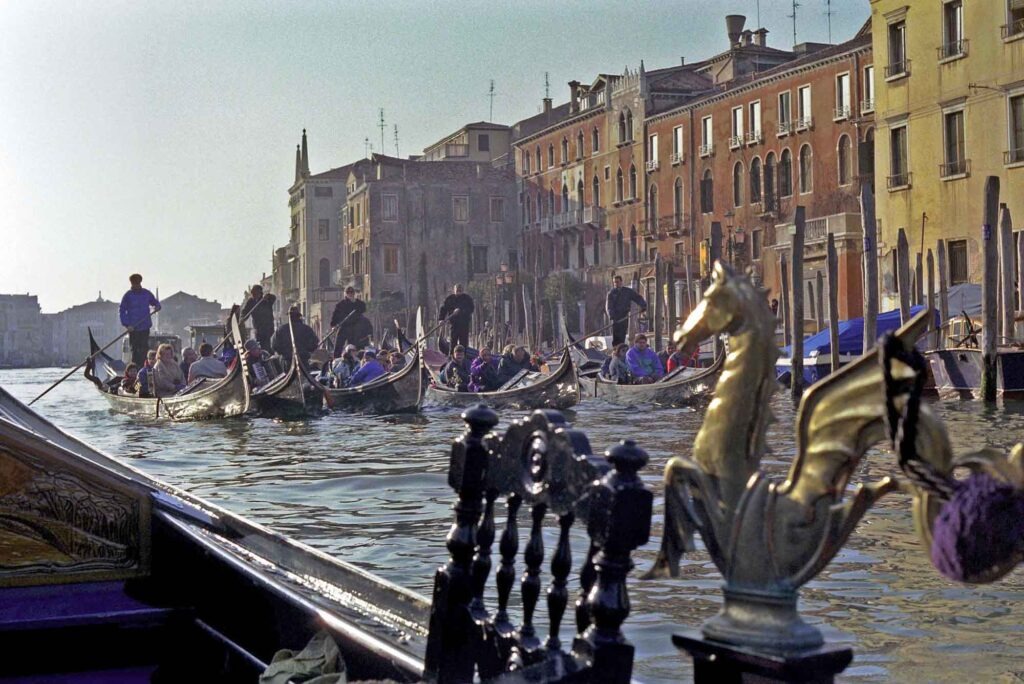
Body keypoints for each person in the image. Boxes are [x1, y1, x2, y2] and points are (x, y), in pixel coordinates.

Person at [119, 273, 162, 367]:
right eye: (134, 283)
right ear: (131, 283)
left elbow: (155, 302)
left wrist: (157, 306)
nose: (136, 285)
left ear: (140, 282)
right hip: (133, 328)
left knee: (144, 349)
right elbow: (122, 311)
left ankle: (144, 368)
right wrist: (127, 325)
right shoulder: (128, 295)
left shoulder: (146, 293)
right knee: (135, 350)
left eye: (137, 283)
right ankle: (136, 369)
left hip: (145, 326)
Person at [605, 274, 647, 347]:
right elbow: (609, 307)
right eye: (614, 282)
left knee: (622, 335)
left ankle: (621, 348)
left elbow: (637, 297)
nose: (616, 284)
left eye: (617, 282)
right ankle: (616, 349)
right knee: (616, 337)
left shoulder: (627, 292)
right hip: (615, 318)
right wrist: (612, 316)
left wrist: (643, 305)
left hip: (624, 316)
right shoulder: (611, 293)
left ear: (621, 282)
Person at [330, 287, 368, 357]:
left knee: (353, 345)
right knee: (338, 344)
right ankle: (336, 358)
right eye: (348, 292)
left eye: (352, 292)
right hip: (344, 327)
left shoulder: (359, 303)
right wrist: (333, 325)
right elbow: (335, 315)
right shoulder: (341, 304)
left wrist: (355, 302)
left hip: (355, 328)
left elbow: (363, 309)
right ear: (345, 294)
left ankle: (353, 358)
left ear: (354, 293)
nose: (350, 294)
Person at [439, 284, 475, 348]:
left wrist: (461, 310)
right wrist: (441, 319)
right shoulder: (450, 299)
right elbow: (444, 309)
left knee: (463, 343)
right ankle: (452, 353)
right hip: (454, 324)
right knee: (453, 342)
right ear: (454, 290)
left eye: (460, 290)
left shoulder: (467, 299)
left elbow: (471, 309)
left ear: (462, 290)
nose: (458, 292)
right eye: (457, 290)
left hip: (464, 324)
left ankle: (463, 353)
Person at [242, 285, 276, 351]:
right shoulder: (251, 302)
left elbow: (274, 298)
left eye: (255, 293)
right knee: (260, 345)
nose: (254, 295)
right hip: (258, 328)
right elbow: (245, 311)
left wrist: (268, 296)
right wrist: (242, 318)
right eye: (253, 293)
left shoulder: (266, 300)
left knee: (269, 345)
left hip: (268, 327)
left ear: (260, 293)